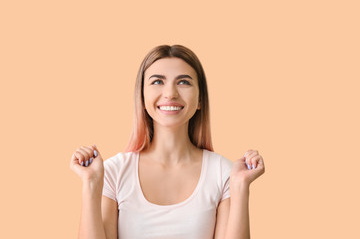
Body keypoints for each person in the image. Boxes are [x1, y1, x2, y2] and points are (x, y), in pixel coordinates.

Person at [70, 45, 265, 239]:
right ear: (142, 97)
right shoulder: (114, 171)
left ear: (200, 100)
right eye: (157, 82)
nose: (170, 93)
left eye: (183, 82)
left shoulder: (222, 172)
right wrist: (90, 184)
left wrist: (240, 187)